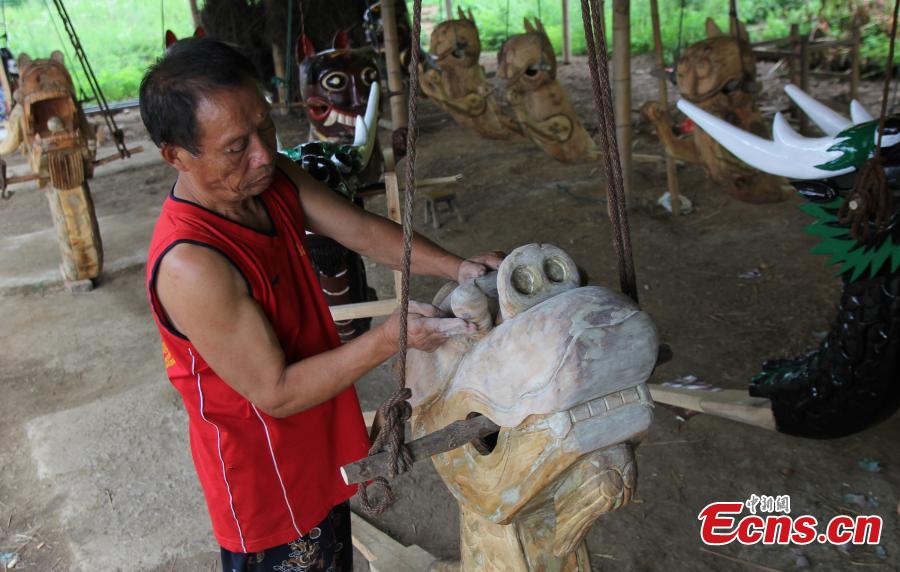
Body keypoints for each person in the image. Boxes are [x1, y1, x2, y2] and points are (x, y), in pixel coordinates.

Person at [139, 38, 501, 572]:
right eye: (236, 146)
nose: (263, 153)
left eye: (265, 127)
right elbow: (276, 392)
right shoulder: (192, 264)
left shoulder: (269, 179)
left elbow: (362, 232)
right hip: (264, 466)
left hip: (316, 433)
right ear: (176, 155)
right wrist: (389, 337)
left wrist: (458, 267)